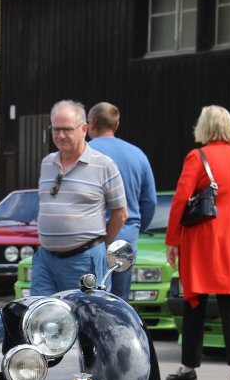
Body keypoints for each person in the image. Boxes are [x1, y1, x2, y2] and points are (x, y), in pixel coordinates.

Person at [165, 105, 230, 380]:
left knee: (194, 303)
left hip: (202, 239)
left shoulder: (197, 157)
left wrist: (172, 240)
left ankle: (189, 367)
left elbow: (180, 199)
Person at [30, 99, 126, 296]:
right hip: (45, 260)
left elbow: (120, 214)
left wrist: (97, 246)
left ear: (84, 129)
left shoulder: (104, 165)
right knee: (41, 311)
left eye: (67, 129)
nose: (60, 135)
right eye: (56, 129)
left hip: (83, 260)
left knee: (84, 312)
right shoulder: (47, 163)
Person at [85, 102, 156, 298]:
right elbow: (149, 202)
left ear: (91, 124)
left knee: (91, 296)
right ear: (116, 125)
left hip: (91, 237)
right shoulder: (137, 155)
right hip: (126, 236)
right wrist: (135, 227)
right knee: (119, 300)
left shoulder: (83, 153)